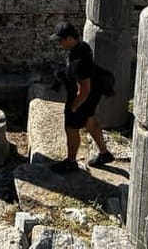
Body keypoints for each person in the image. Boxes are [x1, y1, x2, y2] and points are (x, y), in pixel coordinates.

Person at [49, 21, 114, 172]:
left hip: (83, 98)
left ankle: (71, 162)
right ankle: (104, 153)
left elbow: (84, 89)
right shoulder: (83, 46)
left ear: (70, 38)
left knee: (71, 128)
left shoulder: (79, 62)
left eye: (60, 40)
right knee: (89, 121)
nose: (59, 44)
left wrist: (74, 106)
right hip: (93, 95)